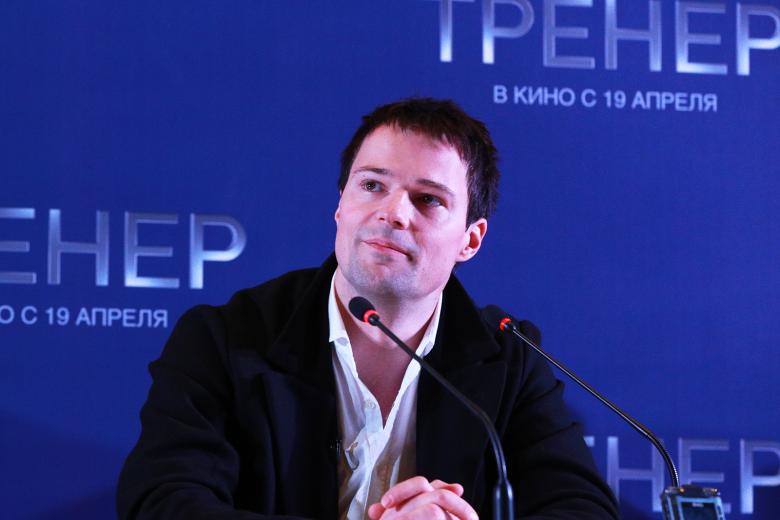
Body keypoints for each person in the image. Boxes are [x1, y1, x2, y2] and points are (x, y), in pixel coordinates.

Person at [117, 98, 619, 519]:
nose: (393, 212)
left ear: (470, 239)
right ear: (341, 205)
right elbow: (162, 503)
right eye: (373, 185)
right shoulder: (225, 339)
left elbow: (583, 509)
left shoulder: (510, 359)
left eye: (428, 200)